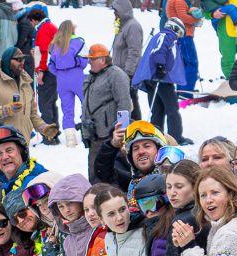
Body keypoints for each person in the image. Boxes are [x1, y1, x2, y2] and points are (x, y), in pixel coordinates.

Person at [81, 43, 131, 179]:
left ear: (102, 60)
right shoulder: (93, 76)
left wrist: (121, 133)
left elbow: (124, 104)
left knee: (108, 172)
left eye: (92, 59)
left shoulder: (116, 75)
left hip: (109, 135)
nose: (89, 62)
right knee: (94, 171)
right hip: (95, 135)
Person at [133, 21, 186, 146]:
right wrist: (160, 66)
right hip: (161, 78)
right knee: (172, 108)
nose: (178, 36)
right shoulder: (167, 36)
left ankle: (156, 135)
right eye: (179, 33)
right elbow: (159, 51)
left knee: (157, 109)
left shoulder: (159, 36)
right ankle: (176, 137)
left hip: (151, 77)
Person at [46, 20, 86, 147]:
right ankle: (86, 132)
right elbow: (85, 60)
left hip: (62, 79)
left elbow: (50, 65)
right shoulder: (79, 42)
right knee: (86, 104)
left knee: (67, 109)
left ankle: (70, 139)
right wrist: (77, 65)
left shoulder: (54, 45)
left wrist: (59, 72)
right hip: (77, 76)